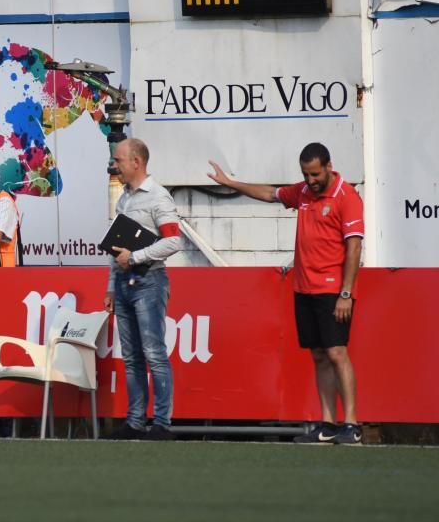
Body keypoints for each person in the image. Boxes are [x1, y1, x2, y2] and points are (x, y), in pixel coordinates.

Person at [207, 142, 364, 445]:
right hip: (304, 287)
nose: (310, 180)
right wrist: (230, 183)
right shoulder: (303, 193)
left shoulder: (347, 196)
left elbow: (355, 245)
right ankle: (328, 424)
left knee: (336, 352)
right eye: (306, 174)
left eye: (315, 174)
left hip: (333, 288)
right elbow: (270, 193)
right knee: (318, 355)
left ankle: (353, 424)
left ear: (329, 167)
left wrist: (346, 292)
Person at [104, 139, 182, 441]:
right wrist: (111, 286)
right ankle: (135, 421)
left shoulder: (158, 197)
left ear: (137, 162)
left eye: (119, 160)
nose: (115, 166)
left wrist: (135, 257)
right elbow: (116, 246)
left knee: (154, 353)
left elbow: (174, 241)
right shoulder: (123, 198)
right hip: (125, 283)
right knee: (133, 356)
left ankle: (162, 422)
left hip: (149, 280)